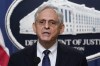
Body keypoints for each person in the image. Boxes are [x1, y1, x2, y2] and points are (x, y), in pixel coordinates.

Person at [8, 4, 88, 66]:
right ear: (34, 27)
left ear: (61, 28)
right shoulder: (17, 59)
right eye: (41, 22)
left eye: (52, 23)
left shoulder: (77, 58)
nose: (46, 26)